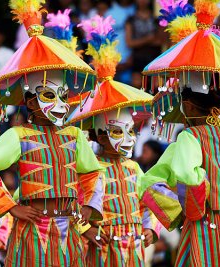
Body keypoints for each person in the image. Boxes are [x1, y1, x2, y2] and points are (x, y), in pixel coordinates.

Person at [0, 0, 105, 266]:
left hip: (69, 231)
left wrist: (89, 206)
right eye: (48, 96)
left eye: (63, 96)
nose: (60, 105)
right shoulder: (17, 135)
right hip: (33, 230)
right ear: (31, 102)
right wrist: (11, 206)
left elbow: (93, 172)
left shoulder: (74, 136)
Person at [139, 0, 220, 266]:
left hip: (205, 229)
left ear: (185, 104)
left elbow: (170, 177)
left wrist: (186, 210)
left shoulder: (190, 137)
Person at [68, 15, 160, 266]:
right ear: (98, 135)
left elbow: (147, 203)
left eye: (131, 132)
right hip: (102, 245)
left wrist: (150, 229)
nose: (128, 139)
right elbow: (70, 202)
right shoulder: (89, 168)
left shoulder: (134, 168)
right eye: (117, 132)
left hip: (133, 250)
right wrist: (86, 228)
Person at [125, 0, 163, 88]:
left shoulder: (156, 19)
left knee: (157, 87)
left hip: (155, 59)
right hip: (138, 60)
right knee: (137, 86)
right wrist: (149, 39)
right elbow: (129, 43)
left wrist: (139, 41)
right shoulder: (131, 19)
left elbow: (160, 41)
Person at [105, 0, 136, 84]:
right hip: (113, 62)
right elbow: (106, 40)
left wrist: (132, 56)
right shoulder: (109, 13)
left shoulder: (136, 9)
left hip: (132, 60)